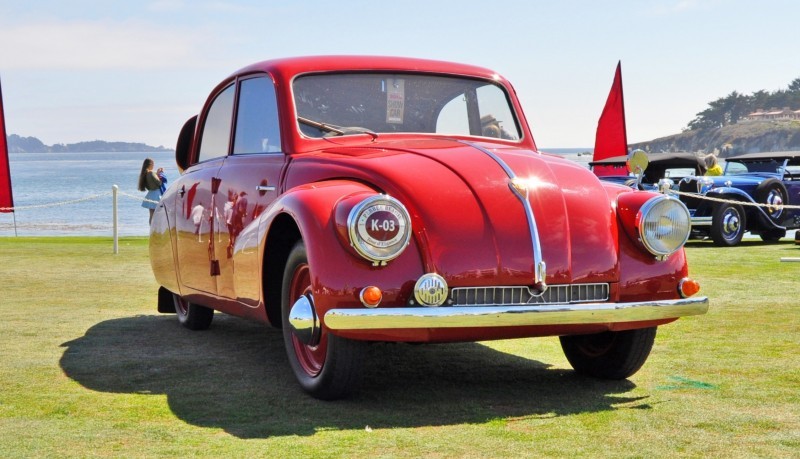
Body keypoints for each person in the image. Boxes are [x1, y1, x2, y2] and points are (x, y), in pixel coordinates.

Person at [137, 158, 165, 223]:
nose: (153, 165)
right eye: (153, 164)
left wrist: (157, 173)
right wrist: (161, 175)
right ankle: (158, 230)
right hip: (157, 195)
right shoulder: (151, 173)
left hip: (150, 194)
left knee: (151, 215)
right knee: (159, 214)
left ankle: (151, 230)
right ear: (150, 164)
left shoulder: (144, 174)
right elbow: (159, 183)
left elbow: (152, 177)